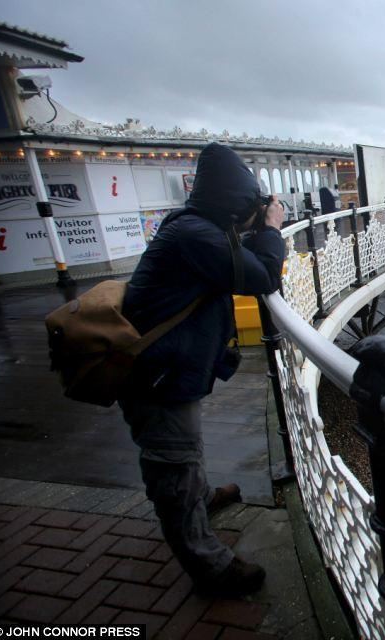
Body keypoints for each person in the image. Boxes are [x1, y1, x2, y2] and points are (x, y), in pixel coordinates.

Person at [120, 142, 286, 598]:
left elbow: (240, 257)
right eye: (252, 206)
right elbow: (262, 277)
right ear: (236, 205)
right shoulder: (196, 235)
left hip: (168, 368)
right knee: (173, 467)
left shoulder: (196, 227)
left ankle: (203, 497)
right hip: (156, 376)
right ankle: (210, 567)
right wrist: (272, 227)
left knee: (183, 452)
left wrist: (256, 229)